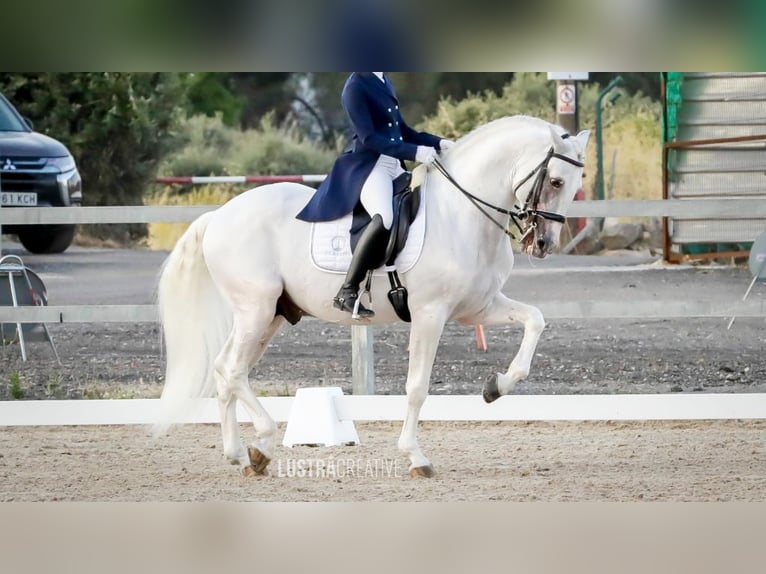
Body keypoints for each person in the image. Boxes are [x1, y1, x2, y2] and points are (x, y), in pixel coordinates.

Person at [297, 72, 454, 317]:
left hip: (394, 164)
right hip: (370, 166)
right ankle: (347, 291)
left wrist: (439, 142)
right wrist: (416, 153)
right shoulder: (356, 85)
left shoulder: (384, 80)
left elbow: (401, 129)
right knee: (385, 217)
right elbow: (369, 137)